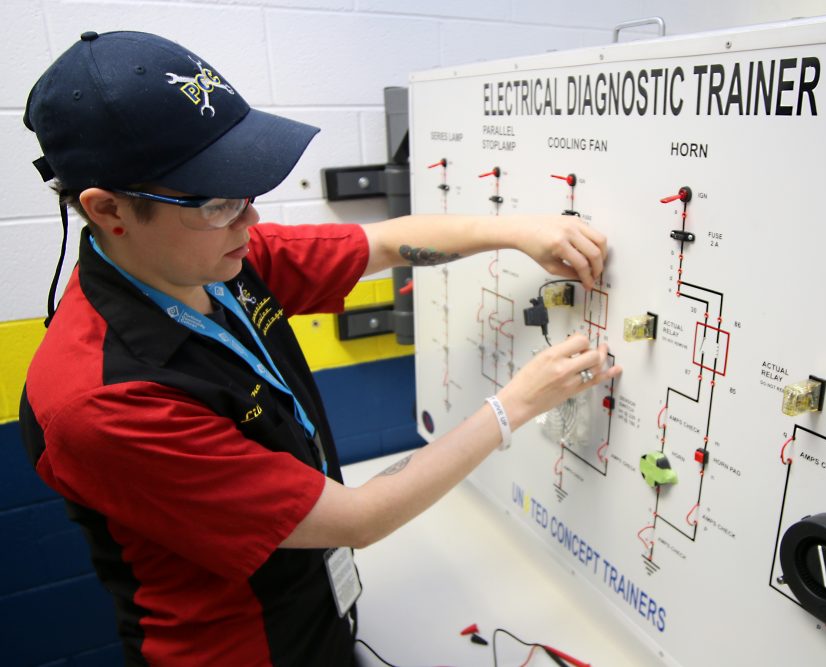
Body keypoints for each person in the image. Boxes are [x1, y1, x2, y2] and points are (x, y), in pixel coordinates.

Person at [19, 30, 621, 666]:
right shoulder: (105, 402)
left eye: (248, 194)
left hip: (317, 612)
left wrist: (519, 231)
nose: (250, 223)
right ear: (109, 209)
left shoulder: (215, 260)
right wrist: (515, 406)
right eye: (220, 202)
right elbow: (357, 517)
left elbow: (386, 243)